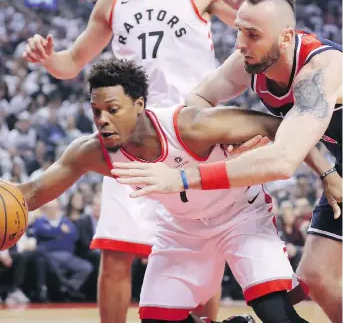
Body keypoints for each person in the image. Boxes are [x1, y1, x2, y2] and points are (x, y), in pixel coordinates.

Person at [23, 0, 253, 321]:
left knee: (202, 252)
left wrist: (247, 5)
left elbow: (252, 29)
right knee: (116, 253)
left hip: (189, 133)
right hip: (131, 134)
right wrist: (49, 59)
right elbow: (72, 62)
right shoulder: (113, 1)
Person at [18, 58, 314, 323]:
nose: (102, 119)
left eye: (112, 109)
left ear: (139, 105)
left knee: (274, 311)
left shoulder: (191, 125)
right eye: (96, 111)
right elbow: (30, 193)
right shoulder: (92, 151)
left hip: (239, 215)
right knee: (156, 319)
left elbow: (283, 127)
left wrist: (327, 174)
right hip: (183, 228)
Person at [112, 0, 342, 323]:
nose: (239, 44)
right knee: (318, 276)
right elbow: (197, 103)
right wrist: (224, 142)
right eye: (238, 31)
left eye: (252, 34)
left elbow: (281, 161)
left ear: (286, 37)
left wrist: (181, 177)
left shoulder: (320, 70)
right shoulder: (251, 61)